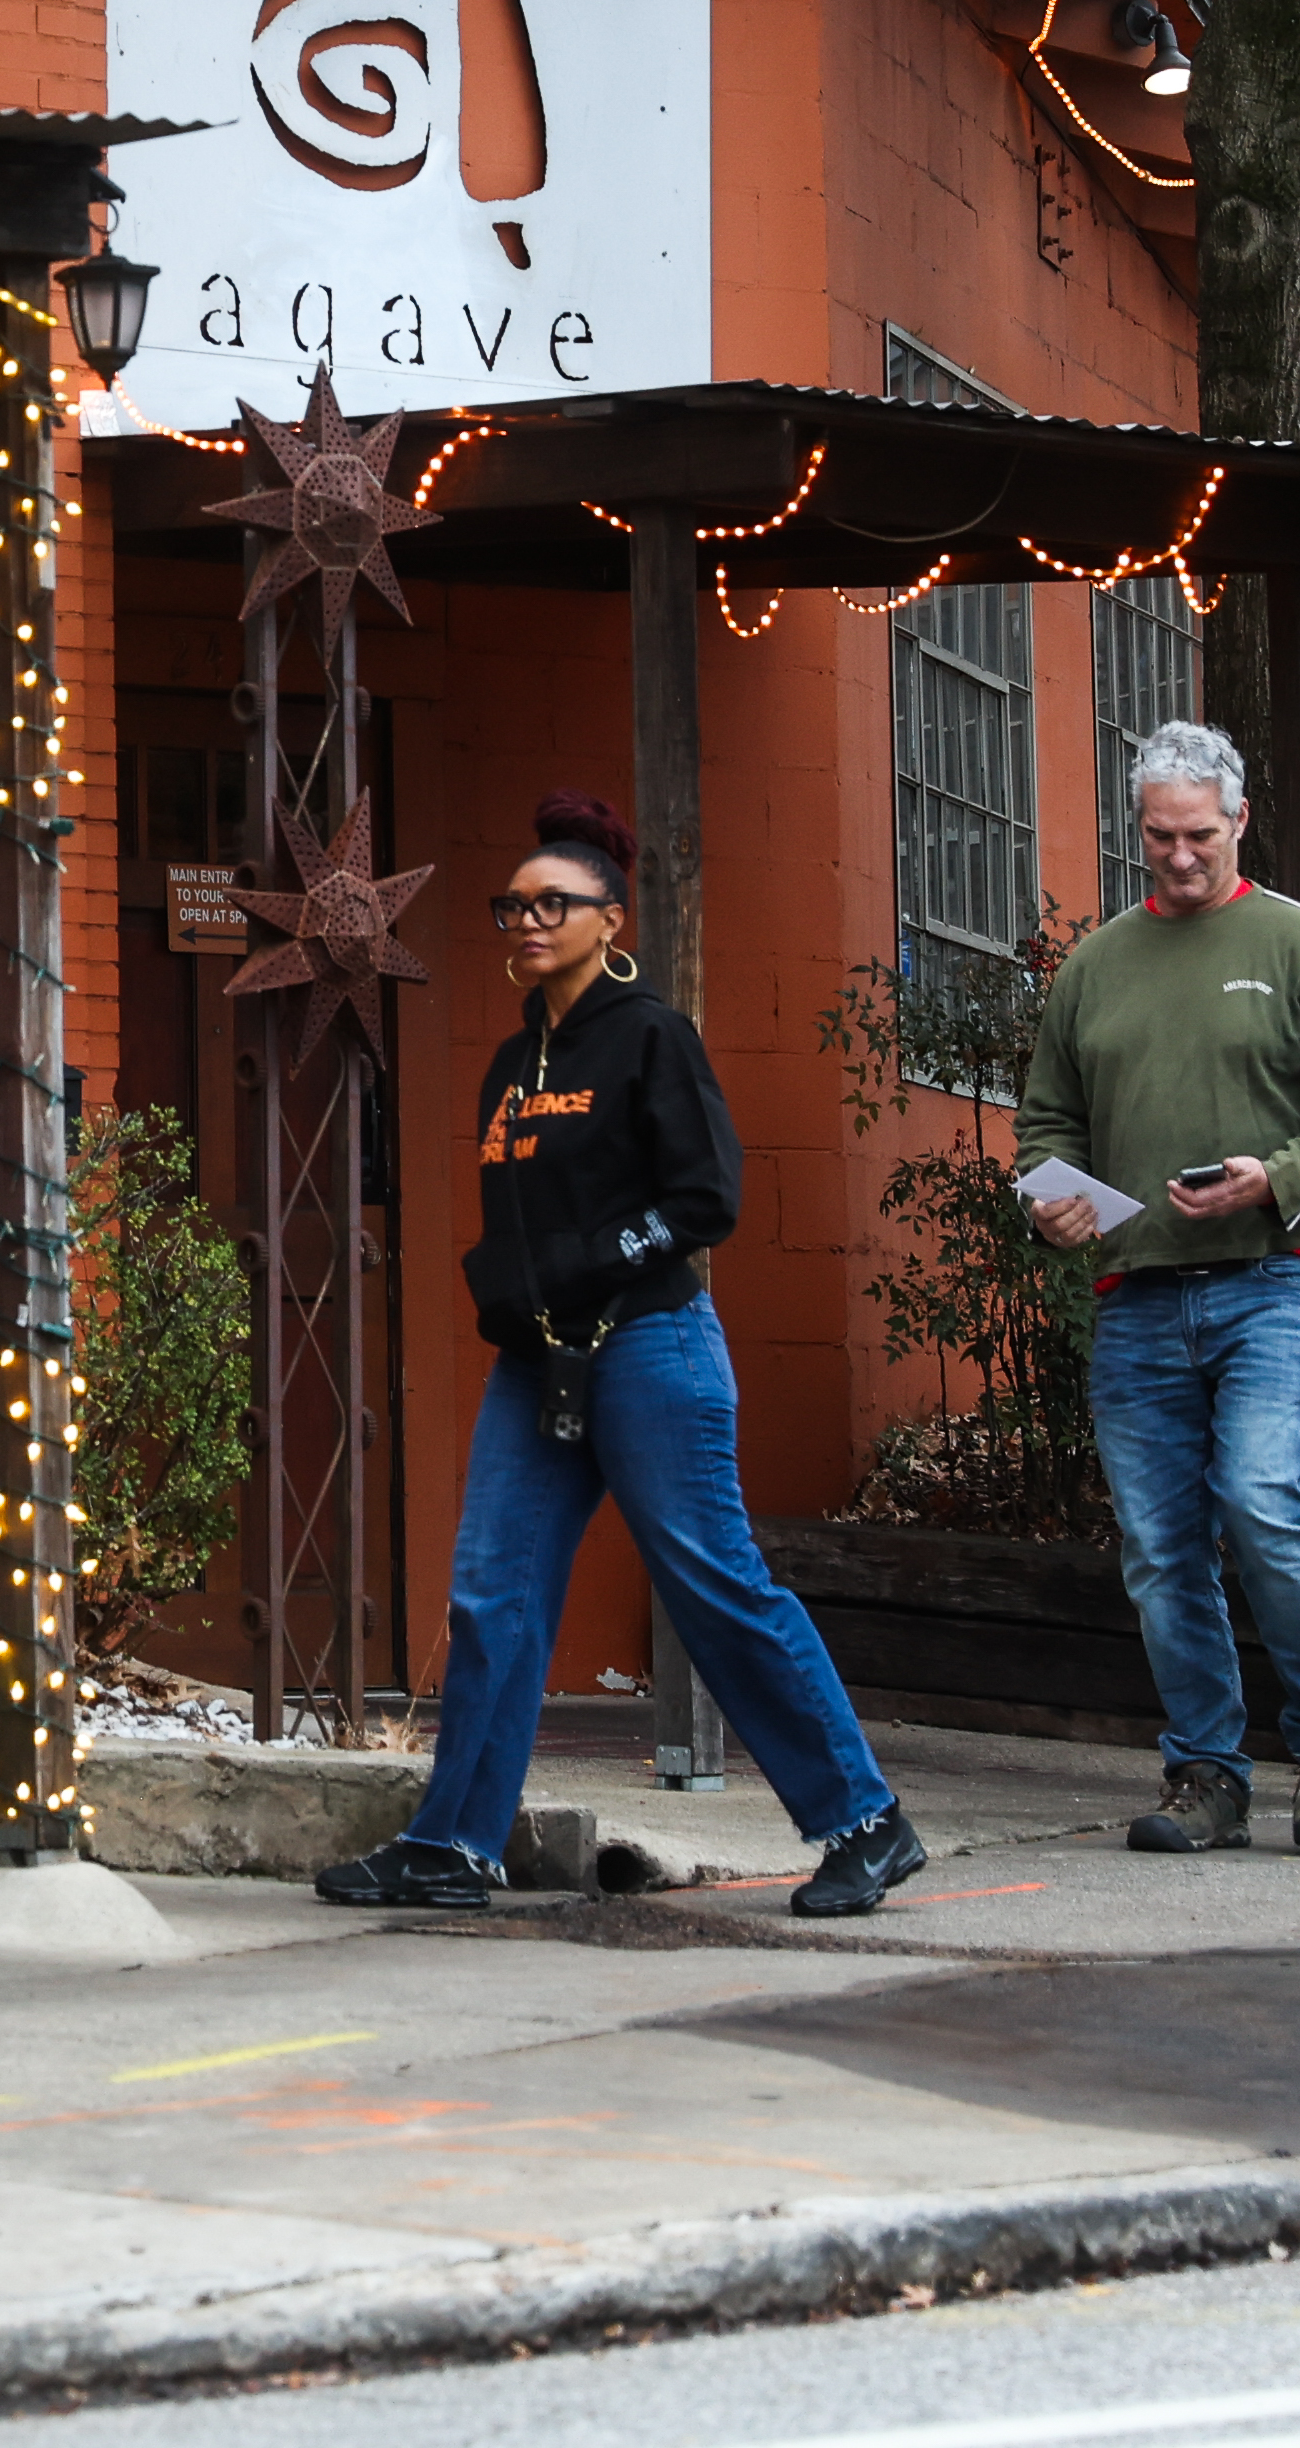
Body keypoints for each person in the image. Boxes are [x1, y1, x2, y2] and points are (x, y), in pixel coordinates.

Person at [316, 795, 925, 1918]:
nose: (528, 921)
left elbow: (707, 1200)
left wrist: (600, 1260)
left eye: (555, 904)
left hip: (651, 1346)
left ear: (610, 918)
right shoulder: (511, 1063)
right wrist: (503, 1284)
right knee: (492, 1596)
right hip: (539, 1369)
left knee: (713, 1586)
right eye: (514, 906)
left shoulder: (652, 1037)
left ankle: (866, 1822)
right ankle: (455, 1845)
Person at [1017, 717, 1300, 1855]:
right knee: (1159, 1542)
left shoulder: (1299, 944)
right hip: (1136, 1284)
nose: (1179, 857)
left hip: (1278, 1271)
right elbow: (1047, 1124)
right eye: (1157, 837)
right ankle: (1207, 1774)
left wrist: (1272, 1179)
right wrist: (1051, 1201)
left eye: (1199, 835)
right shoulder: (1096, 965)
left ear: (1240, 821)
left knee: (1261, 1496)